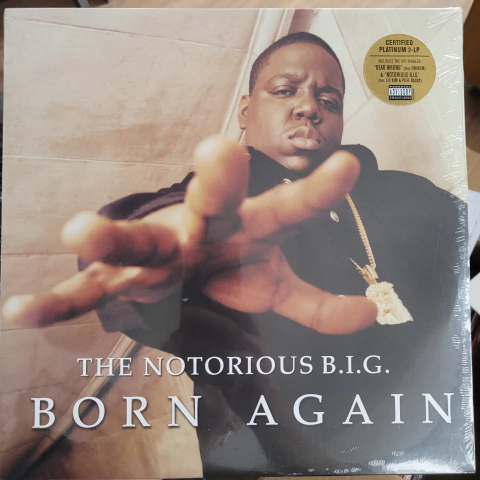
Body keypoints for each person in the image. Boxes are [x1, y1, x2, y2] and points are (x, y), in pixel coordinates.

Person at [3, 32, 466, 475]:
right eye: (285, 90)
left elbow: (467, 241)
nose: (310, 108)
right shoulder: (219, 207)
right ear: (246, 110)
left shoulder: (400, 189)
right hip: (286, 448)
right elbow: (163, 220)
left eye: (330, 101)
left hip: (430, 417)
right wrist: (159, 249)